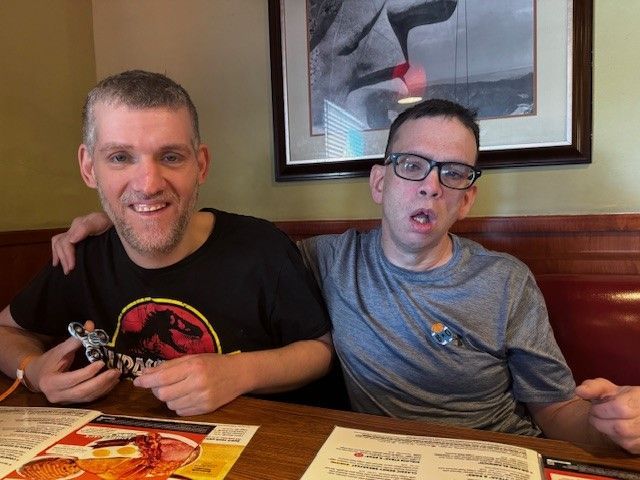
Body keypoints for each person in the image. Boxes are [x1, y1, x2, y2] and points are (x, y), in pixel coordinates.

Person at [51, 99, 640, 454]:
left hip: (496, 454)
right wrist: (116, 217)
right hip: (373, 457)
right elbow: (220, 244)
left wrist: (606, 424)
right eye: (413, 166)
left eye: (453, 173)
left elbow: (556, 414)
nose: (430, 185)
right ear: (381, 183)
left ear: (466, 199)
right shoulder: (321, 260)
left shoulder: (507, 280)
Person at [0, 70, 333, 416]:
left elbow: (320, 351)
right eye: (120, 158)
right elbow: (5, 331)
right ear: (89, 168)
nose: (148, 184)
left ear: (200, 165)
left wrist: (238, 373)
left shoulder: (262, 248)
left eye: (171, 157)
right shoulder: (79, 257)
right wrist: (33, 370)